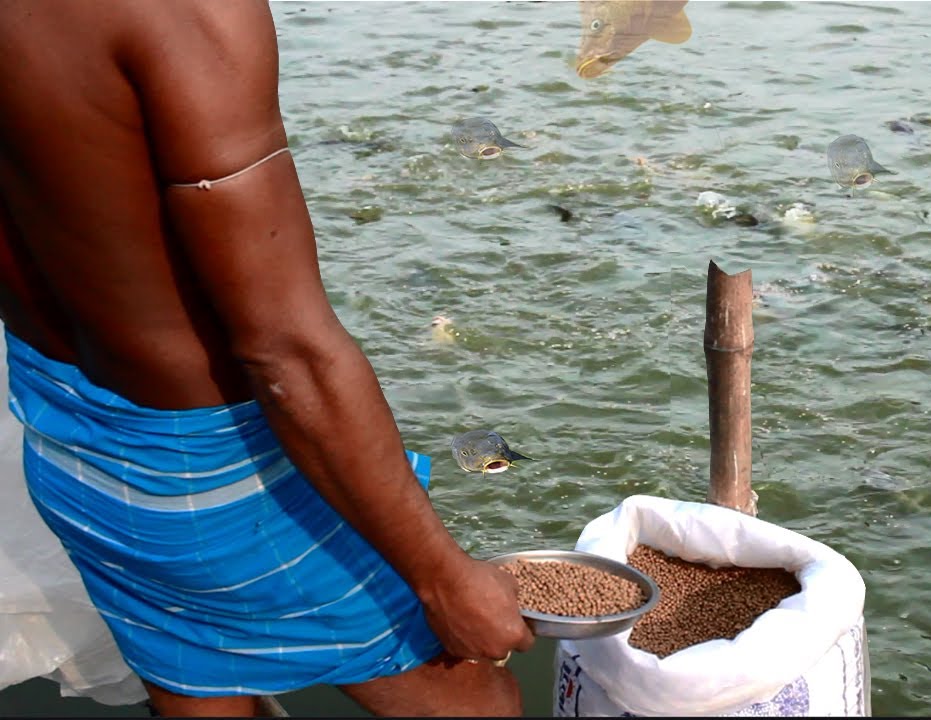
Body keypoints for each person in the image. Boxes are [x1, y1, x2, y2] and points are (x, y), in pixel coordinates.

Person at [0, 0, 535, 716]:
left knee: (197, 682)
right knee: (476, 704)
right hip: (217, 477)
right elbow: (287, 354)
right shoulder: (188, 14)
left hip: (65, 441)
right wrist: (443, 577)